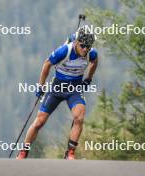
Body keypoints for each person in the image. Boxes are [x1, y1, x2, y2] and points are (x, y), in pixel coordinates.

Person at [17, 25, 98, 160]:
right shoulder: (64, 51)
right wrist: (40, 86)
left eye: (88, 47)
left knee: (79, 117)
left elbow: (95, 62)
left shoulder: (91, 53)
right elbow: (47, 64)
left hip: (74, 89)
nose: (85, 49)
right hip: (57, 88)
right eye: (83, 46)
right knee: (39, 122)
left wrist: (88, 79)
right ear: (77, 42)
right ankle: (23, 151)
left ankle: (70, 153)